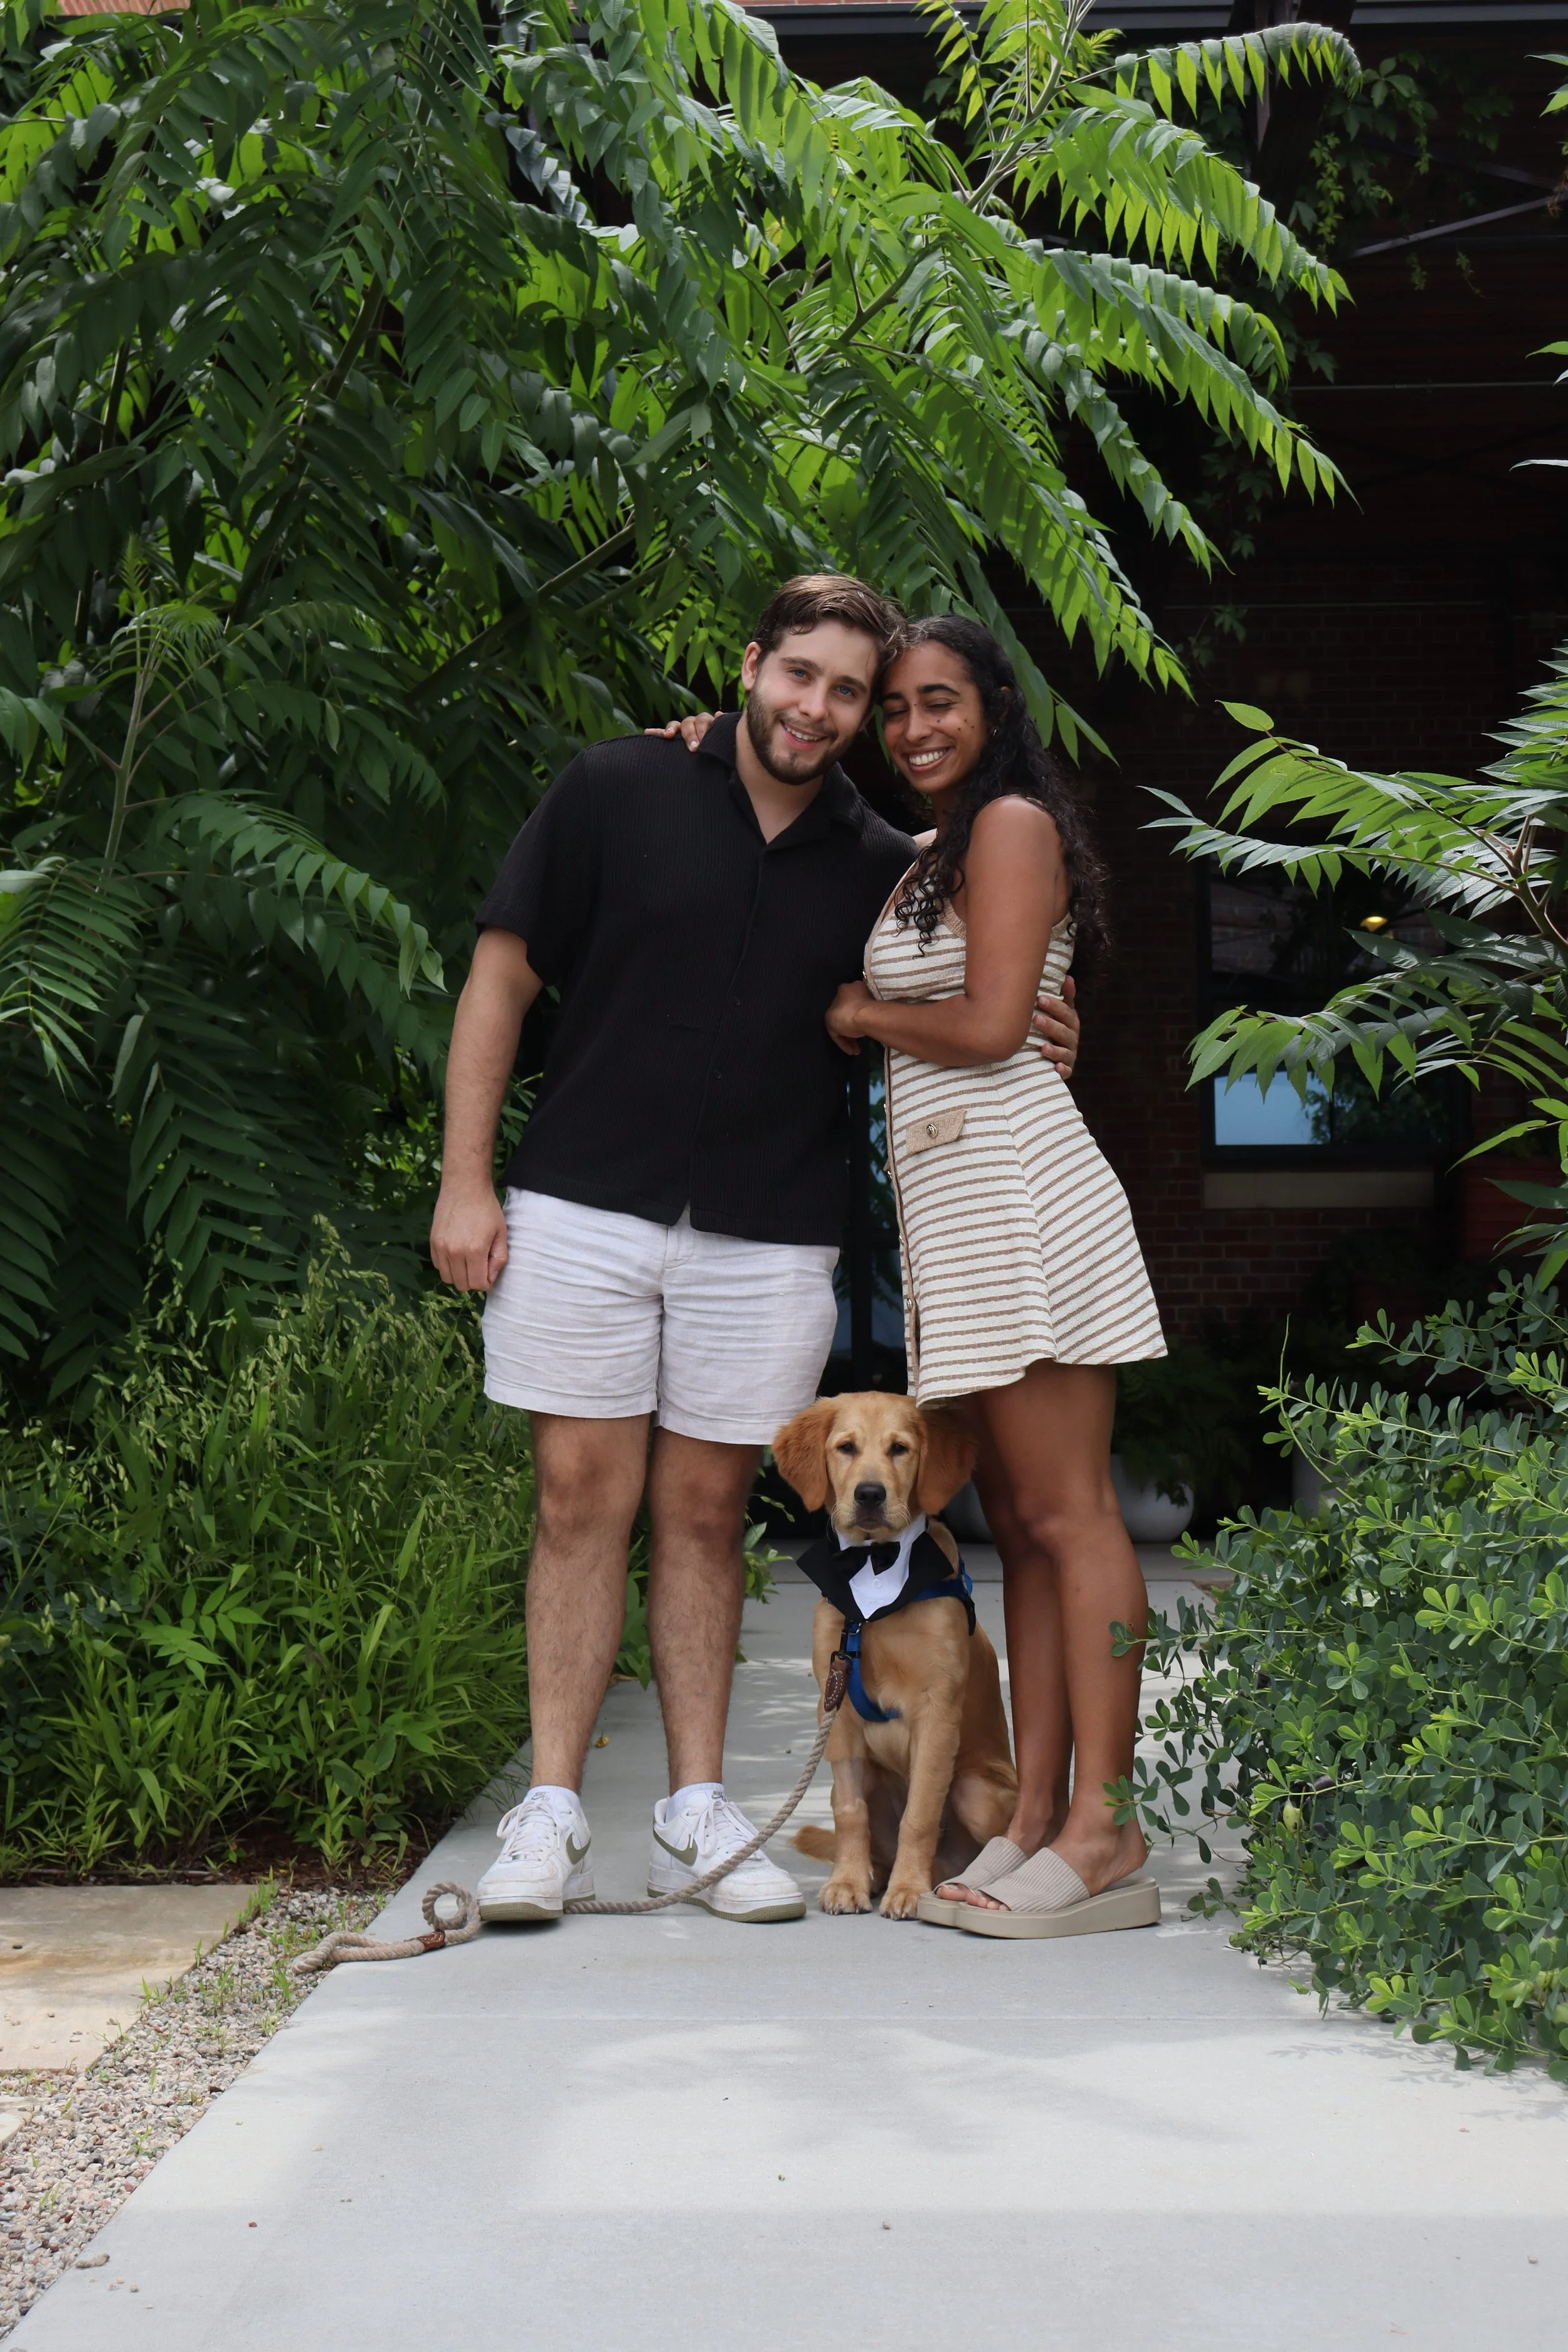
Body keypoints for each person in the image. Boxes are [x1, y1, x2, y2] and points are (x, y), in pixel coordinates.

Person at [428, 578, 1081, 1926]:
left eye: (849, 693)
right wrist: (464, 1179)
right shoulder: (616, 786)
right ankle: (549, 1816)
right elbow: (499, 975)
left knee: (707, 1513)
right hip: (583, 1204)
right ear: (750, 664)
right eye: (801, 676)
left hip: (770, 1231)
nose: (818, 709)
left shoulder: (886, 859)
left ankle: (693, 1811)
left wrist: (1049, 1020)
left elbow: (984, 976)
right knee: (574, 1500)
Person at [824, 616, 1165, 1937]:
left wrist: (860, 1016)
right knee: (1018, 1524)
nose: (913, 728)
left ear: (992, 711)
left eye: (938, 703)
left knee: (1072, 1514)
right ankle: (1033, 1815)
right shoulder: (926, 852)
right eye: (896, 709)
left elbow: (983, 1024)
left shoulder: (1010, 824)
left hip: (1021, 1193)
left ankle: (1108, 1821)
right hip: (956, 1212)